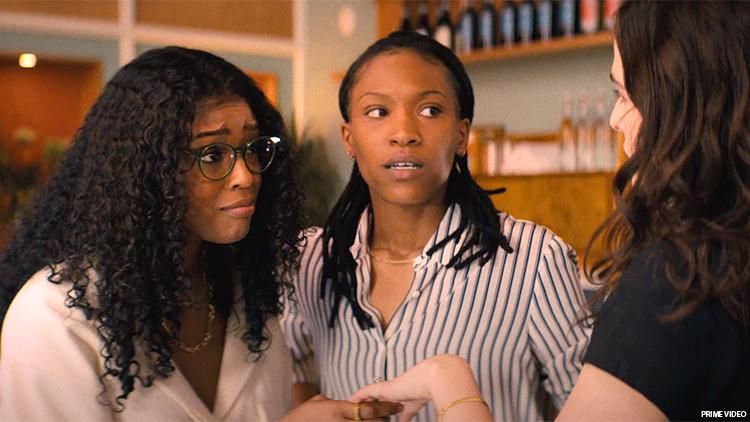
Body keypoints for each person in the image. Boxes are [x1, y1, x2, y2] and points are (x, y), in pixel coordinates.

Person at [350, 1, 750, 420]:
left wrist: (445, 381)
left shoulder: (675, 278)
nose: (615, 119)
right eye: (378, 112)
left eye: (623, 94)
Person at [0, 46, 400, 421]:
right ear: (146, 170)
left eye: (252, 148)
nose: (246, 176)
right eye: (212, 154)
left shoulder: (251, 294)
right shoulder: (53, 318)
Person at [280, 31, 590, 421]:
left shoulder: (534, 260)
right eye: (378, 112)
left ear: (462, 136)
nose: (404, 133)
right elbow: (292, 377)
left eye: (430, 110)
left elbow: (594, 409)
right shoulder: (309, 260)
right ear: (349, 138)